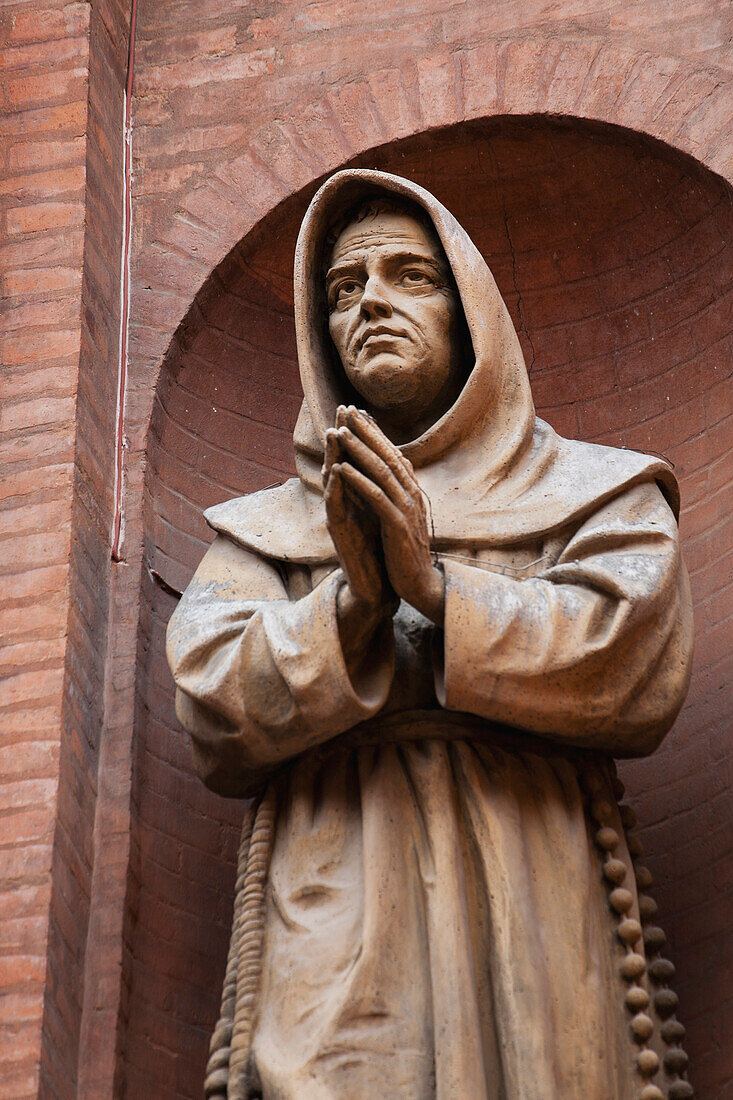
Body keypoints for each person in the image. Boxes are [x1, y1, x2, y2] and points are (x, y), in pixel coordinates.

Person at [167, 170, 693, 1099]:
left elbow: (629, 657)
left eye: (411, 275)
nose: (370, 301)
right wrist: (354, 605)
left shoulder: (597, 492)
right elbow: (213, 697)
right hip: (338, 879)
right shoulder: (266, 528)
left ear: (471, 311)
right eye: (341, 288)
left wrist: (435, 589)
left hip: (530, 864)